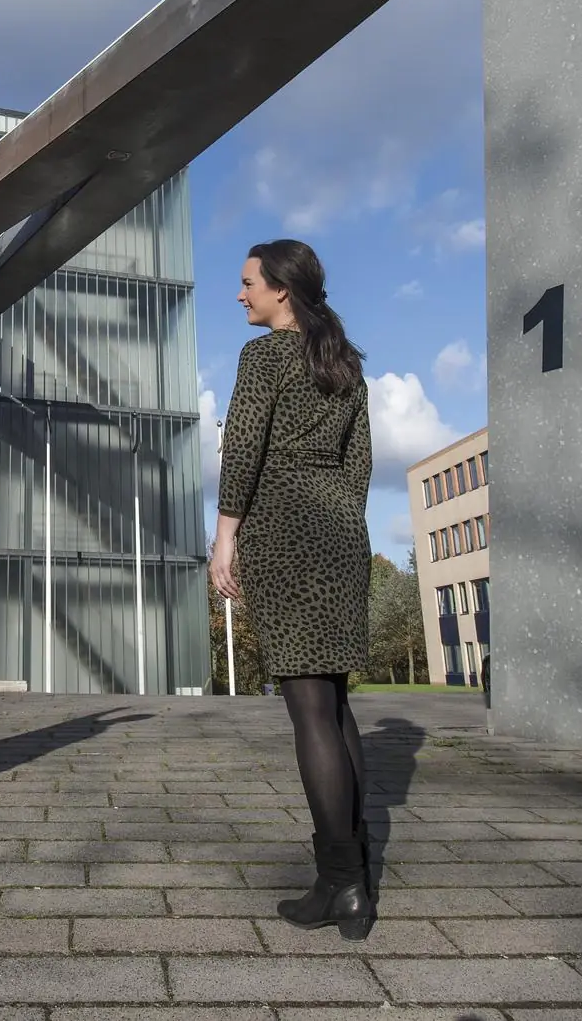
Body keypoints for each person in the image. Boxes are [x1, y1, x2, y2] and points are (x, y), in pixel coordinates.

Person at [209, 239, 375, 941]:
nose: (240, 294)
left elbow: (242, 445)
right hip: (340, 531)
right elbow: (361, 463)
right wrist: (342, 520)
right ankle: (355, 870)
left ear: (281, 289)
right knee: (334, 704)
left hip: (284, 530)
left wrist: (226, 536)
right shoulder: (345, 362)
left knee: (309, 711)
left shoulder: (264, 356)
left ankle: (341, 883)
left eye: (247, 283)